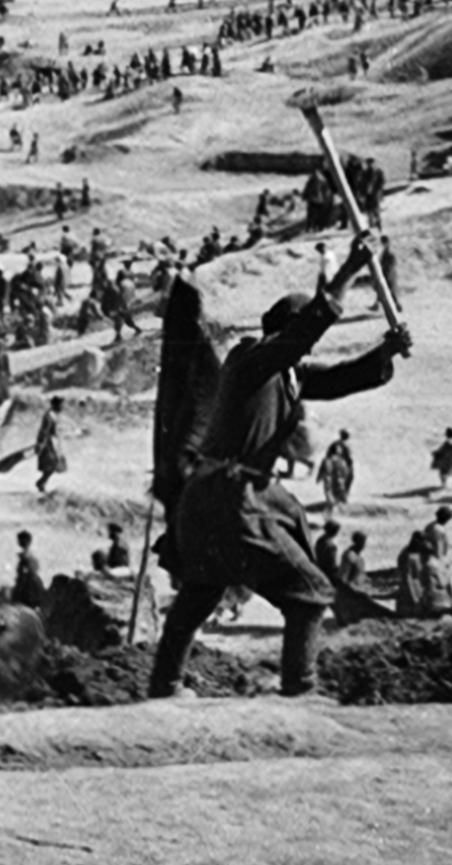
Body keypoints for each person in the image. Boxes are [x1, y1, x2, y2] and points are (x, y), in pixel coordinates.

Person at [150, 235, 408, 699]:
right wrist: (350, 268)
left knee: (199, 595)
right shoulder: (251, 358)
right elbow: (301, 336)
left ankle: (164, 685)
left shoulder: (289, 375)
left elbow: (342, 377)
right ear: (285, 331)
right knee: (309, 594)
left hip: (210, 500)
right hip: (231, 500)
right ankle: (300, 687)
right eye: (299, 337)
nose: (304, 352)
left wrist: (385, 353)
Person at [34, 397, 67, 492]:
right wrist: (40, 443)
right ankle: (41, 483)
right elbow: (44, 431)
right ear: (55, 405)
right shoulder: (48, 416)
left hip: (51, 442)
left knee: (52, 464)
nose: (62, 407)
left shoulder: (53, 415)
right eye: (61, 405)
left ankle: (41, 483)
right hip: (46, 443)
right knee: (52, 464)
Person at [317, 430, 353, 508]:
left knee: (331, 483)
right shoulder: (342, 446)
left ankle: (337, 499)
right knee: (338, 483)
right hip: (338, 467)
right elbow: (348, 460)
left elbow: (328, 455)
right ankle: (340, 499)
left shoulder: (337, 444)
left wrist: (319, 477)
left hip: (336, 466)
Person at [11, 530, 47, 607]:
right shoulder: (29, 554)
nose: (18, 542)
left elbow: (27, 570)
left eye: (19, 540)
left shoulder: (25, 556)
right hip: (32, 581)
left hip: (27, 583)